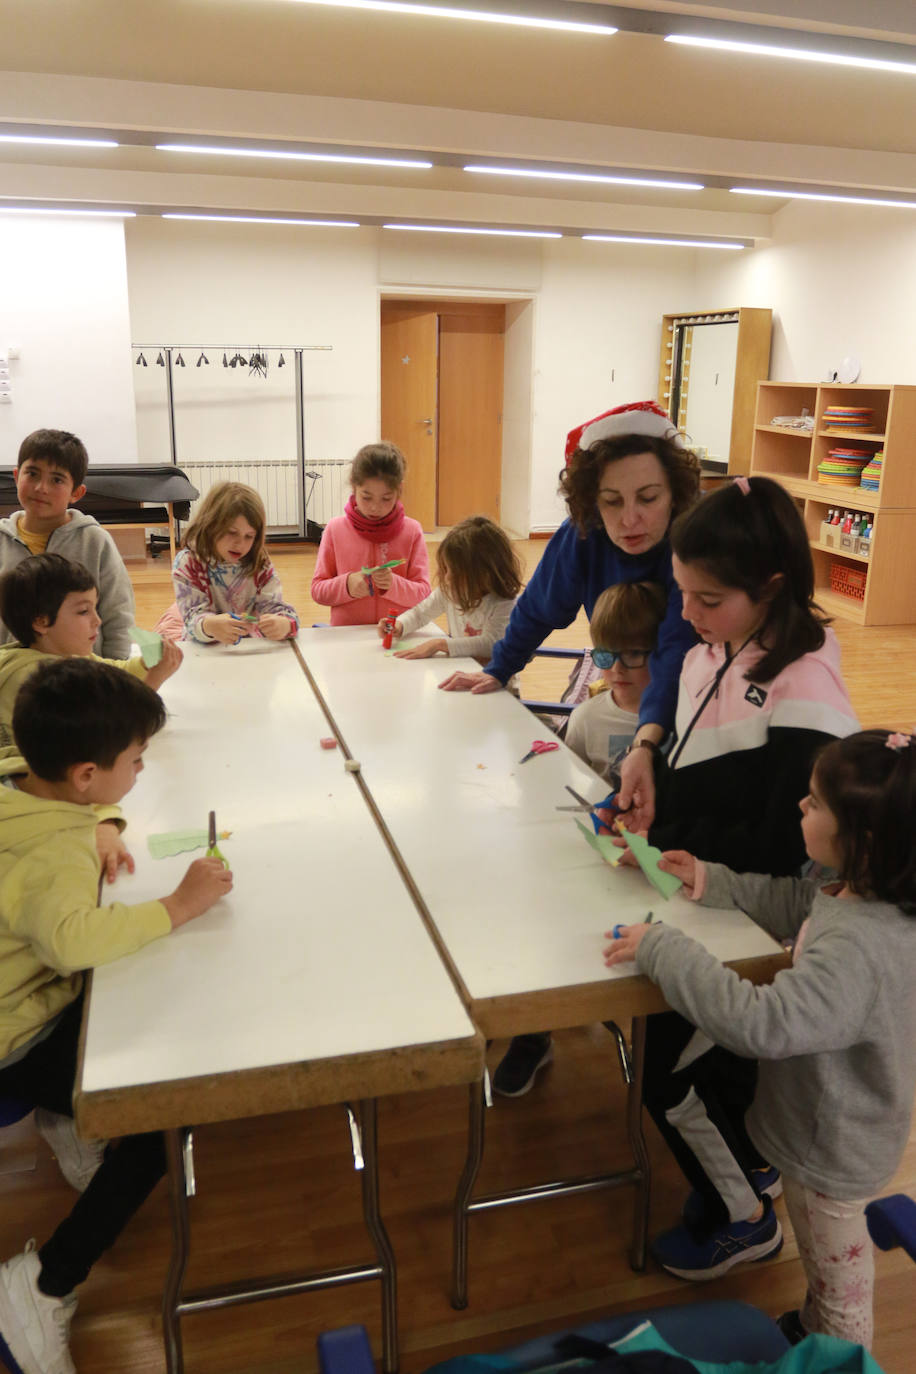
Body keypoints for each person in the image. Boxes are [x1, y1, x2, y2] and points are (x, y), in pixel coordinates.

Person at [602, 474, 859, 1284]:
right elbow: (688, 748)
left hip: (761, 923)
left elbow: (786, 847)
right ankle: (749, 1160)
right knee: (713, 1072)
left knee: (668, 1077)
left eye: (706, 599)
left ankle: (744, 1219)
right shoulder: (719, 644)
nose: (687, 615)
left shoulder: (807, 688)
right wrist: (645, 776)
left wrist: (672, 835)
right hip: (704, 891)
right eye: (684, 593)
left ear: (770, 588)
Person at [604, 729, 916, 1349]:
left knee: (839, 1277)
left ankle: (841, 1358)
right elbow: (796, 901)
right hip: (828, 1127)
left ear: (863, 838)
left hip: (832, 1149)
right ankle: (814, 1329)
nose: (800, 807)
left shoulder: (859, 949)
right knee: (824, 1264)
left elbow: (760, 1023)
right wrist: (711, 879)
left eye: (815, 803)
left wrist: (664, 947)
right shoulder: (861, 894)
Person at [0, 658, 233, 1374]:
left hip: (19, 999)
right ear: (82, 774)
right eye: (134, 762)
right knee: (170, 1101)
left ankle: (64, 1118)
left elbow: (37, 770)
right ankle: (40, 1285)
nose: (139, 771)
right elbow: (73, 940)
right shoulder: (52, 851)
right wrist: (179, 906)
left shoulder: (21, 782)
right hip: (14, 1031)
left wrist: (101, 819)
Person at [437, 404, 699, 818]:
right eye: (612, 502)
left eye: (648, 498)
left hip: (698, 698)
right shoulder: (582, 533)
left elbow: (677, 649)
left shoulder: (694, 539)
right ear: (592, 503)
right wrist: (498, 670)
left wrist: (646, 742)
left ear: (675, 494)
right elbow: (538, 609)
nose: (630, 519)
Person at [0, 554, 182, 747]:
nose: (97, 620)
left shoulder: (67, 657)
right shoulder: (42, 680)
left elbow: (116, 675)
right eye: (83, 611)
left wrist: (146, 664)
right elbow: (107, 733)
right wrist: (154, 680)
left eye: (95, 608)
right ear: (41, 622)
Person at [0, 429, 135, 659]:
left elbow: (118, 615)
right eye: (32, 473)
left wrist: (114, 674)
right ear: (16, 477)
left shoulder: (95, 542)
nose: (41, 487)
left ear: (77, 492)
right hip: (12, 676)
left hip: (81, 678)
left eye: (56, 479)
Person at [156, 482, 299, 644]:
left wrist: (285, 624)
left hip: (251, 651)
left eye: (249, 536)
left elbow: (278, 609)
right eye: (232, 533)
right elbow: (191, 618)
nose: (240, 544)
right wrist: (209, 625)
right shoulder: (189, 563)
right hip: (203, 651)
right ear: (210, 525)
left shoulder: (259, 563)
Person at [311, 441, 431, 626]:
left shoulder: (412, 531)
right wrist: (347, 585)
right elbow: (318, 591)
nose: (375, 507)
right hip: (347, 637)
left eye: (386, 498)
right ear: (354, 487)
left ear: (399, 490)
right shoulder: (335, 529)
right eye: (366, 497)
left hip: (398, 636)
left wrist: (394, 585)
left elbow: (423, 594)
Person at [379, 515, 522, 668]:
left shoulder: (505, 602)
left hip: (497, 684)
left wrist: (440, 644)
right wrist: (400, 625)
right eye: (445, 569)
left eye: (455, 572)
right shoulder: (450, 590)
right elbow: (421, 613)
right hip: (461, 670)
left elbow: (491, 643)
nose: (447, 579)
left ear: (483, 573)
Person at [564, 581, 667, 783]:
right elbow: (571, 784)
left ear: (663, 654)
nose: (617, 669)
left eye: (634, 653)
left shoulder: (683, 715)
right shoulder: (585, 718)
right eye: (606, 655)